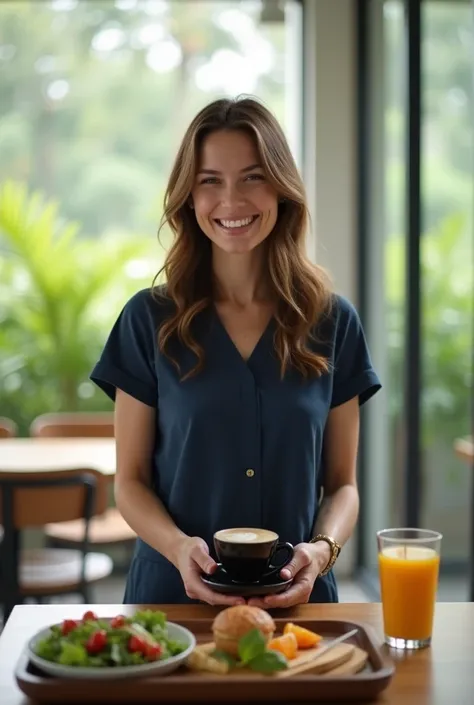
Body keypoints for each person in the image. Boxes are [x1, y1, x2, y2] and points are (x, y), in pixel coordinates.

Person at [90, 96, 381, 608]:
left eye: (252, 177)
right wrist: (180, 549)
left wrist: (323, 550)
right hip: (171, 605)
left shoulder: (333, 322)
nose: (232, 200)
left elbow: (342, 486)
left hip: (303, 606)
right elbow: (131, 483)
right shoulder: (147, 321)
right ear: (189, 196)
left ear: (281, 187)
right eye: (210, 180)